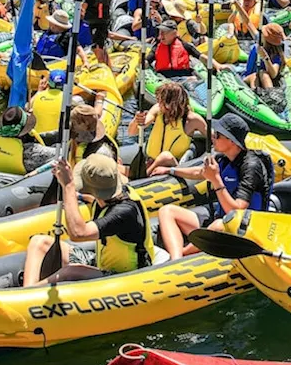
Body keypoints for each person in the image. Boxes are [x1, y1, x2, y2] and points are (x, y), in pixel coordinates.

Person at [154, 114, 274, 260]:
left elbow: (236, 211)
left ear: (231, 140)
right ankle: (176, 258)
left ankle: (183, 255)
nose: (213, 137)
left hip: (243, 229)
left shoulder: (250, 166)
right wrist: (171, 170)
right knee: (167, 211)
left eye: (217, 135)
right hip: (219, 217)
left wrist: (216, 180)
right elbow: (200, 172)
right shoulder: (223, 159)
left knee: (218, 226)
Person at [20, 155, 153, 286]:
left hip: (125, 276)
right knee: (39, 242)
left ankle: (28, 296)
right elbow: (93, 198)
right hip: (101, 263)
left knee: (70, 272)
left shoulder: (124, 212)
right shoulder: (109, 196)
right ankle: (29, 293)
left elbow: (78, 233)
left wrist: (68, 186)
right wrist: (77, 194)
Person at [129, 81, 206, 175]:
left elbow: (213, 137)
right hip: (151, 160)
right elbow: (132, 132)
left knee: (166, 156)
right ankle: (141, 174)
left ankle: (142, 178)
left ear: (171, 104)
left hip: (174, 165)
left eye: (161, 101)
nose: (158, 103)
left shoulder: (192, 119)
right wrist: (137, 120)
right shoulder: (157, 110)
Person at [244, 23, 286, 90]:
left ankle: (270, 95)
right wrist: (239, 11)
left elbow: (273, 74)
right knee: (254, 76)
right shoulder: (259, 40)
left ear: (266, 38)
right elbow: (247, 22)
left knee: (263, 73)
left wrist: (265, 57)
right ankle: (256, 91)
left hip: (264, 81)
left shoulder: (276, 55)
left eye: (262, 33)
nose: (261, 33)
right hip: (248, 77)